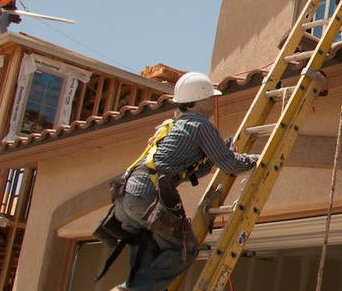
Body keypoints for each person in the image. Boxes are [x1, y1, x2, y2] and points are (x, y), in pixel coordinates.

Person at [110, 72, 258, 291]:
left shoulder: (174, 125)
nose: (214, 102)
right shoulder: (200, 125)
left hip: (126, 197)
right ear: (199, 100)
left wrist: (215, 156)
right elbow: (229, 164)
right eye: (211, 97)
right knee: (184, 249)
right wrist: (255, 160)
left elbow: (193, 171)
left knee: (161, 248)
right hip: (144, 196)